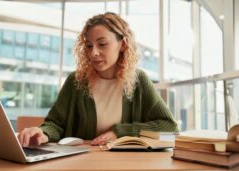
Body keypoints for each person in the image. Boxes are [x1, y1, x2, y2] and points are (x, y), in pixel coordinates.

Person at [18, 12, 178, 147]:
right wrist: (43, 132)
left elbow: (169, 126)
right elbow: (55, 123)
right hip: (81, 162)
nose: (93, 52)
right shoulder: (76, 80)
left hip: (127, 163)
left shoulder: (138, 80)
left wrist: (121, 131)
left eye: (102, 44)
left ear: (122, 45)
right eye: (88, 46)